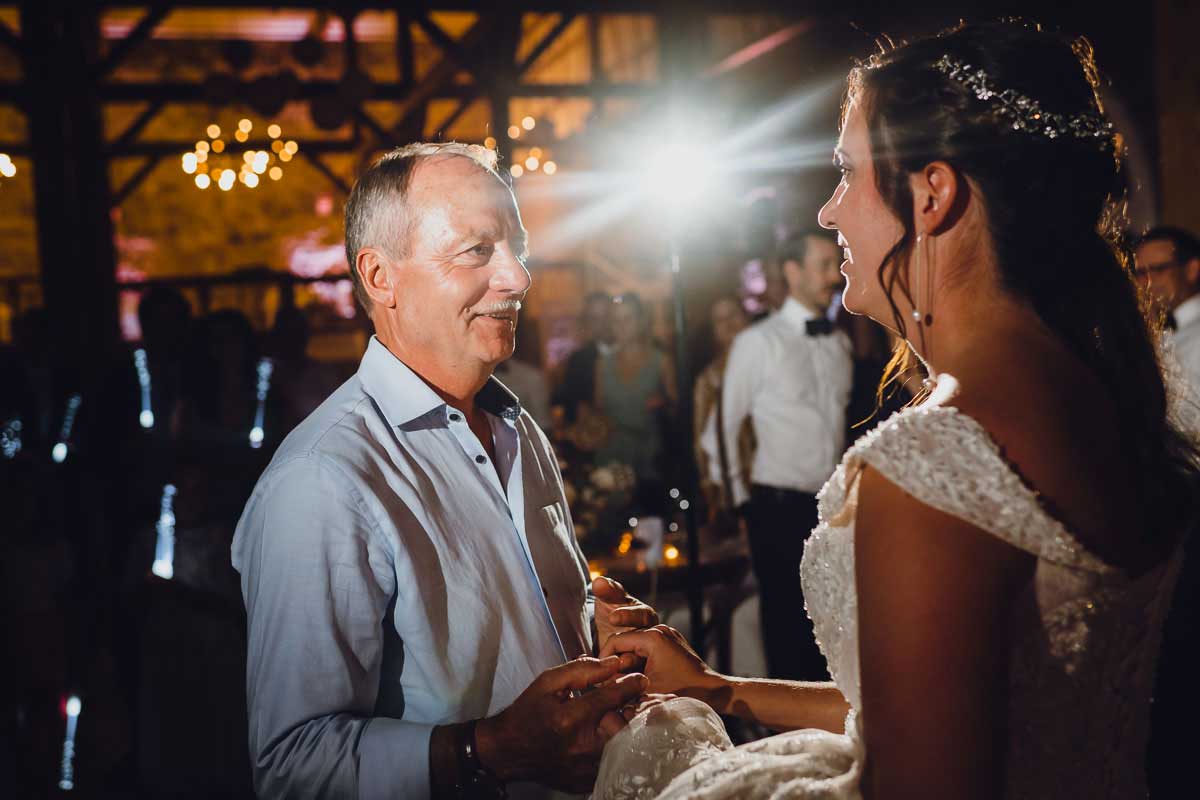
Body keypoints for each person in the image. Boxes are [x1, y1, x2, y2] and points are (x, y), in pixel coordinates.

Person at [591, 21, 1200, 800]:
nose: (828, 212)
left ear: (933, 193)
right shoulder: (1107, 399)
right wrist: (720, 689)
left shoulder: (937, 464)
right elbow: (949, 706)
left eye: (846, 172)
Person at [232, 142, 660, 799]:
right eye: (476, 250)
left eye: (517, 248)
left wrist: (582, 635)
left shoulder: (518, 429)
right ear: (381, 278)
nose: (518, 278)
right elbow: (293, 766)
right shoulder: (323, 480)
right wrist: (487, 750)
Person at [720, 228, 852, 681]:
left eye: (836, 265)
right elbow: (718, 429)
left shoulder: (839, 342)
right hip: (776, 505)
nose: (834, 276)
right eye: (823, 266)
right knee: (787, 632)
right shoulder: (757, 342)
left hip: (831, 508)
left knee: (831, 629)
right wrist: (742, 502)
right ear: (792, 272)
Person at [593, 292, 677, 496]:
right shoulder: (603, 365)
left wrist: (664, 404)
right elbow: (598, 412)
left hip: (651, 457)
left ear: (641, 322)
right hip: (612, 459)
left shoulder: (661, 362)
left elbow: (678, 411)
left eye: (627, 319)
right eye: (616, 320)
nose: (621, 326)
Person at [692, 296, 753, 529]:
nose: (729, 324)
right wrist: (709, 485)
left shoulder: (769, 360)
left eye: (733, 315)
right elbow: (701, 437)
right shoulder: (709, 379)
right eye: (720, 320)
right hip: (737, 478)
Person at [1135, 226, 1200, 386]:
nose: (1146, 282)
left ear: (1191, 270)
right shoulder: (1163, 330)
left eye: (1158, 270)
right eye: (1140, 273)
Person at [553, 291, 614, 424]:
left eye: (606, 316)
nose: (603, 324)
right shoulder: (578, 361)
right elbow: (572, 407)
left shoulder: (645, 351)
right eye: (595, 318)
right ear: (587, 322)